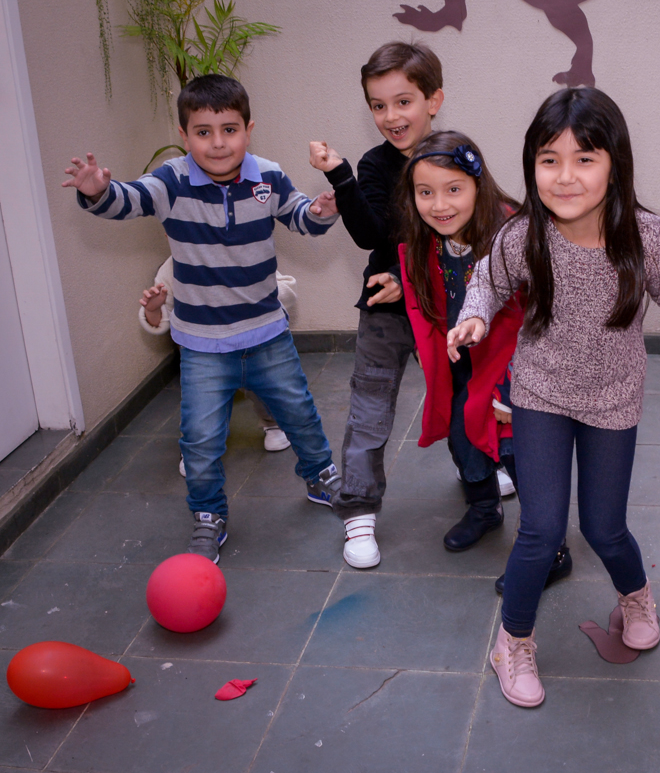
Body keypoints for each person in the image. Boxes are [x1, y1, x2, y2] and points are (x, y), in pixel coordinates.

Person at [448, 87, 660, 708]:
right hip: (540, 393)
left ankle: (635, 596)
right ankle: (513, 641)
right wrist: (474, 315)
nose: (565, 176)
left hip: (614, 397)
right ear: (532, 165)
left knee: (604, 527)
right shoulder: (522, 235)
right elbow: (488, 282)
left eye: (584, 159)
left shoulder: (647, 234)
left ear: (615, 163)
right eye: (549, 160)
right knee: (540, 530)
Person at [64, 74, 343, 564]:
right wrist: (97, 192)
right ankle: (208, 514)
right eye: (203, 132)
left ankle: (321, 476)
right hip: (201, 345)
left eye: (229, 130)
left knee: (299, 412)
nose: (218, 143)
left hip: (266, 333)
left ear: (248, 130)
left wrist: (322, 210)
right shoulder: (171, 181)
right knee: (200, 439)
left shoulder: (268, 176)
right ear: (184, 134)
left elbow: (301, 216)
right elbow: (129, 199)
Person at [308, 41, 490, 569]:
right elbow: (372, 235)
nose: (391, 116)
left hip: (447, 305)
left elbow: (471, 232)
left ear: (434, 100)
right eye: (378, 105)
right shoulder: (373, 164)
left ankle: (480, 476)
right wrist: (341, 176)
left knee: (464, 396)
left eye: (403, 101)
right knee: (369, 406)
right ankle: (358, 509)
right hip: (386, 308)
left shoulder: (456, 156)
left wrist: (409, 279)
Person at [379, 131, 574, 586]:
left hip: (513, 364)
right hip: (460, 361)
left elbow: (545, 310)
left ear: (477, 184)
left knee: (518, 451)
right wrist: (396, 278)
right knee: (462, 438)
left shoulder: (513, 234)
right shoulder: (426, 237)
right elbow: (425, 277)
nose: (439, 205)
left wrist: (519, 378)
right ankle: (485, 508)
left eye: (453, 189)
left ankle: (551, 548)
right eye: (425, 193)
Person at [138, 257, 297, 477]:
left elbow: (287, 289)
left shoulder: (243, 251)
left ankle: (273, 424)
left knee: (264, 388)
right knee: (200, 404)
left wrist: (254, 294)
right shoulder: (173, 267)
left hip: (249, 343)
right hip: (203, 350)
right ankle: (198, 448)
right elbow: (162, 320)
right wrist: (153, 310)